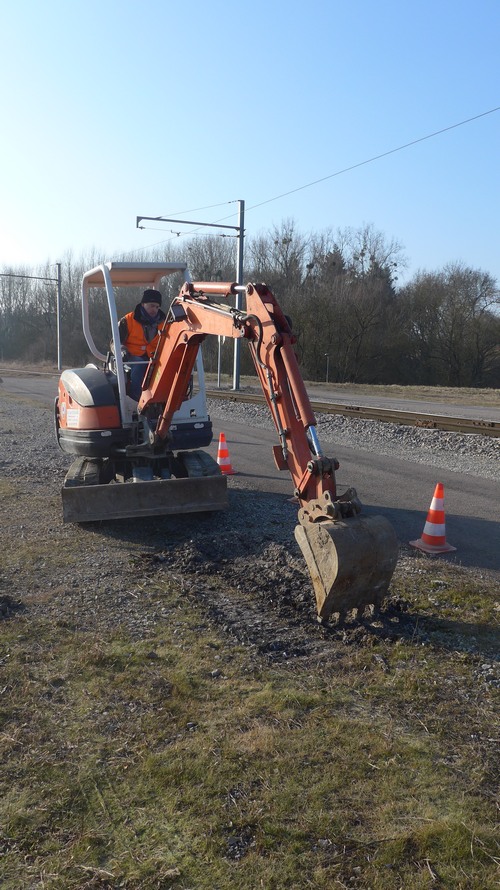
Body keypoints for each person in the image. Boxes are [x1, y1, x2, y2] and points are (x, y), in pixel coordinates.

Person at [116, 288, 166, 400]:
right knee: (140, 364)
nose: (155, 309)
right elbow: (114, 341)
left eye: (157, 307)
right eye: (152, 306)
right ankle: (137, 397)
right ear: (143, 304)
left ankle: (160, 398)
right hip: (131, 357)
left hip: (153, 356)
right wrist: (121, 350)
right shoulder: (128, 320)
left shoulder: (164, 322)